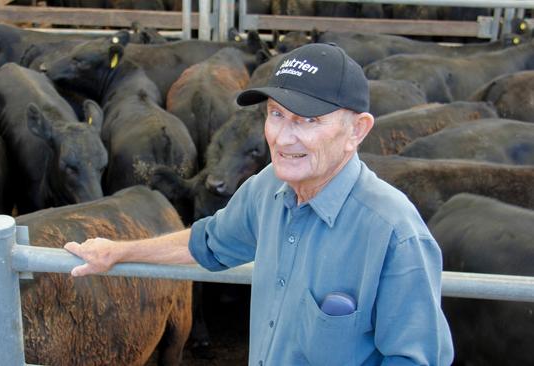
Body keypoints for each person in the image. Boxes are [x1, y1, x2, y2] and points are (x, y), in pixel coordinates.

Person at [64, 43, 454, 365]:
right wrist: (119, 251)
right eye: (276, 115)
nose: (282, 139)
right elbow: (208, 243)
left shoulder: (394, 232)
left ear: (357, 130)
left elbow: (414, 359)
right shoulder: (267, 188)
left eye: (307, 121)